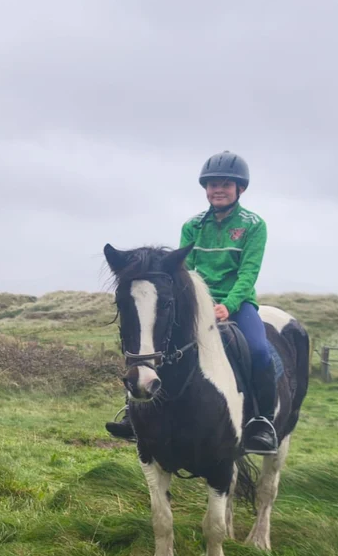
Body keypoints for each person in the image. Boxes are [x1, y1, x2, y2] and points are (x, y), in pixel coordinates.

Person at [105, 150, 278, 455]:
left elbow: (248, 273)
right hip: (198, 304)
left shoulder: (254, 225)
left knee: (260, 351)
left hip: (237, 304)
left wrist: (229, 304)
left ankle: (262, 422)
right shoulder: (193, 225)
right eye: (212, 184)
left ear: (241, 189)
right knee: (157, 346)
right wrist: (199, 304)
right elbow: (188, 271)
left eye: (226, 184)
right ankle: (135, 414)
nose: (218, 190)